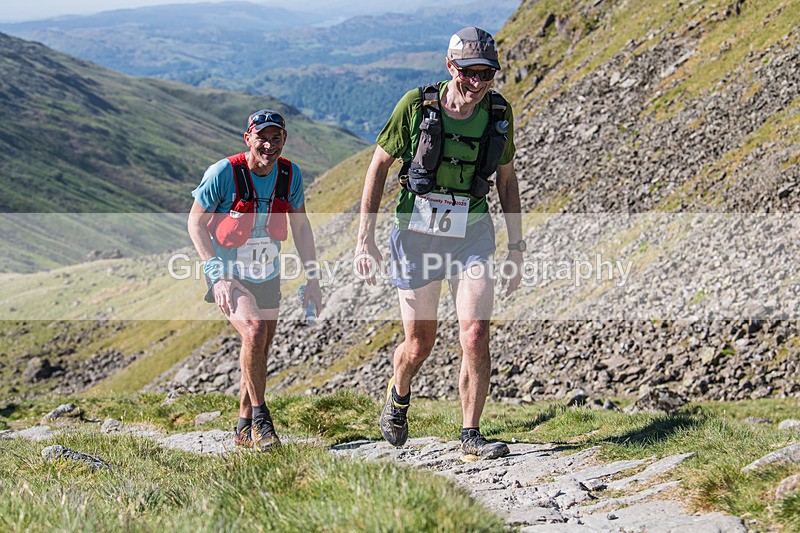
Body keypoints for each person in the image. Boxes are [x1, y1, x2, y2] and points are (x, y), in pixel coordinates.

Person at [355, 27, 524, 459]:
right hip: (416, 235)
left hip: (473, 233)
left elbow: (506, 180)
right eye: (469, 72)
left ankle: (471, 434)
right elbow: (377, 168)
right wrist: (365, 240)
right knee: (419, 344)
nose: (477, 82)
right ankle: (398, 394)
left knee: (475, 334)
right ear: (451, 67)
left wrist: (517, 249)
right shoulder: (416, 106)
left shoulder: (499, 113)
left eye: (486, 74)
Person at [188, 109, 322, 451]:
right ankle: (263, 421)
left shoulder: (290, 175)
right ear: (248, 138)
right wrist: (216, 275)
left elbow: (302, 227)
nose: (269, 145)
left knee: (260, 346)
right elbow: (195, 224)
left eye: (276, 138)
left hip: (268, 272)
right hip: (229, 273)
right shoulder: (224, 173)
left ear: (284, 140)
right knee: (254, 330)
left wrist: (313, 278)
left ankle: (244, 426)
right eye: (262, 137)